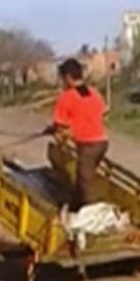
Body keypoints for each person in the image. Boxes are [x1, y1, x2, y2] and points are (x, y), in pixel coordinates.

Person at [44, 58, 109, 209]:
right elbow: (100, 113)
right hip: (102, 143)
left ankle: (91, 218)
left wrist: (55, 132)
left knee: (85, 186)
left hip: (88, 147)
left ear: (67, 77)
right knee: (82, 180)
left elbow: (60, 127)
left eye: (62, 79)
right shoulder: (94, 92)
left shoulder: (67, 97)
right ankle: (75, 207)